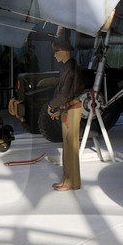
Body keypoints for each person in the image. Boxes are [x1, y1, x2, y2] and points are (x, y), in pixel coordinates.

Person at [45, 35, 87, 191]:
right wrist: (58, 108)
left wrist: (52, 105)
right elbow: (64, 92)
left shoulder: (70, 69)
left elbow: (65, 94)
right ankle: (67, 178)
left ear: (63, 51)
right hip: (68, 109)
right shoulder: (68, 67)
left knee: (71, 147)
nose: (55, 55)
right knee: (68, 146)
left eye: (56, 52)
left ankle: (72, 181)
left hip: (72, 110)